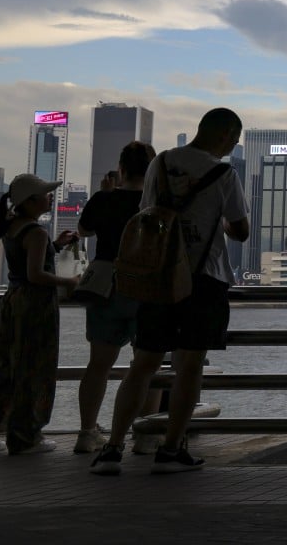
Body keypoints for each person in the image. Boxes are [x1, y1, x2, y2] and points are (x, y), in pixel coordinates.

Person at [90, 108, 249, 475]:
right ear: (225, 135)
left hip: (156, 278)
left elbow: (147, 213)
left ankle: (112, 448)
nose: (233, 147)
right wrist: (216, 220)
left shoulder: (159, 163)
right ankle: (171, 450)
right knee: (189, 367)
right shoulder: (225, 174)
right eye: (235, 140)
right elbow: (239, 231)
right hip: (203, 280)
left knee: (142, 365)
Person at [0, 174, 80, 455]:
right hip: (35, 306)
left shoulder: (14, 227)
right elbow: (36, 274)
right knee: (36, 368)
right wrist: (69, 282)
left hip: (13, 301)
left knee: (7, 366)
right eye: (45, 193)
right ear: (31, 201)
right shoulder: (36, 232)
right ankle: (26, 436)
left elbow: (27, 264)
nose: (50, 196)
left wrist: (55, 246)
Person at [74, 141, 162, 454]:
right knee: (147, 365)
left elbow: (83, 231)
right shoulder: (158, 203)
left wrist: (105, 193)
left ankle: (86, 433)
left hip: (106, 287)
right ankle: (145, 434)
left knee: (98, 365)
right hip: (147, 287)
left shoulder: (104, 199)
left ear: (121, 169)